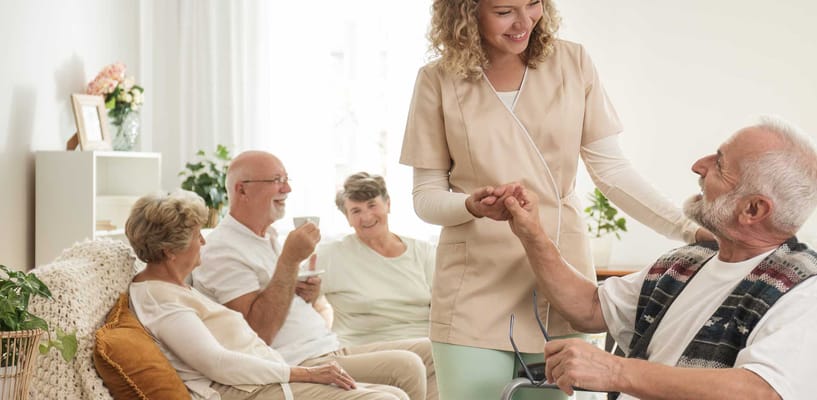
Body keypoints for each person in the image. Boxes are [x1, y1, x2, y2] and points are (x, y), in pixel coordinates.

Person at [398, 1, 712, 399]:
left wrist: (689, 230)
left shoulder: (572, 62)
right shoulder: (437, 79)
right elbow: (426, 197)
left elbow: (612, 172)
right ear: (466, 11)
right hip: (473, 286)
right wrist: (470, 206)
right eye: (504, 11)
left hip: (560, 281)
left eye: (534, 5)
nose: (524, 22)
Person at [501, 117, 817, 399]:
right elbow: (590, 308)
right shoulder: (687, 263)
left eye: (719, 165)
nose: (699, 166)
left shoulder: (805, 290)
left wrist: (614, 372)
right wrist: (533, 235)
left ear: (753, 210)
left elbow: (760, 392)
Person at [192, 151, 437, 400]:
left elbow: (276, 298)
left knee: (429, 355)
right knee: (399, 381)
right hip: (296, 360)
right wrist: (289, 260)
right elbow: (259, 332)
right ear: (242, 190)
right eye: (276, 180)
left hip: (327, 347)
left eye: (286, 179)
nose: (287, 188)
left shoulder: (269, 237)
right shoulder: (223, 249)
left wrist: (303, 293)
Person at [124, 190, 410, 400]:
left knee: (395, 393)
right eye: (196, 236)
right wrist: (306, 373)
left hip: (265, 379)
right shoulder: (160, 299)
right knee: (385, 399)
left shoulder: (175, 286)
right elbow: (218, 364)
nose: (203, 242)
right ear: (169, 251)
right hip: (247, 391)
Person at [315, 172, 435, 347]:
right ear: (347, 218)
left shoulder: (423, 252)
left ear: (388, 204)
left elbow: (446, 309)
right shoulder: (331, 255)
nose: (367, 217)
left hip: (426, 345)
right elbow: (298, 300)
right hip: (365, 350)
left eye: (372, 205)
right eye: (356, 211)